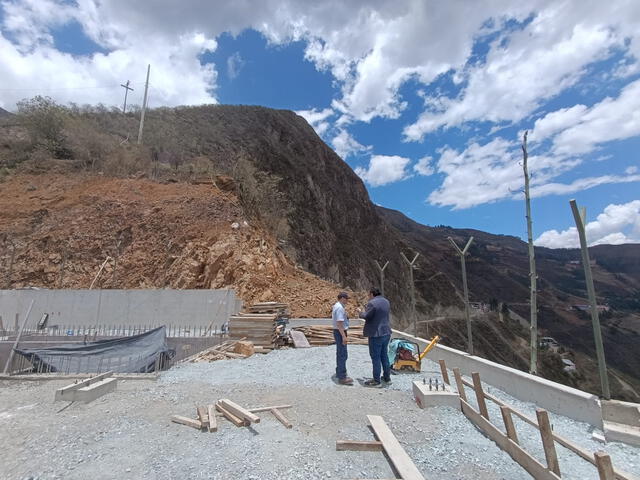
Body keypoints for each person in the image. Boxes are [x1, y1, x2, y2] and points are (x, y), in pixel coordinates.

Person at [359, 287, 392, 387]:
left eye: (369, 295)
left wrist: (360, 312)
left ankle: (376, 380)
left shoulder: (372, 303)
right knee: (384, 356)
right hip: (386, 332)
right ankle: (387, 378)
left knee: (375, 357)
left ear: (372, 294)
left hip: (376, 334)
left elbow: (367, 316)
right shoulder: (386, 301)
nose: (369, 297)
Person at [332, 291, 353, 385]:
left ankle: (339, 371)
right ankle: (342, 377)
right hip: (340, 332)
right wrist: (344, 337)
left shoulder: (337, 306)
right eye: (346, 299)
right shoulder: (340, 308)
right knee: (343, 354)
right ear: (342, 298)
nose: (347, 301)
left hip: (337, 332)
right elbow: (339, 323)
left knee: (340, 352)